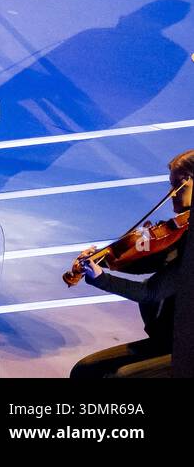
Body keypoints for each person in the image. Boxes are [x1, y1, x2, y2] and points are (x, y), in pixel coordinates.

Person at [69, 151, 192, 379]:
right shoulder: (181, 227)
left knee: (121, 377)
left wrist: (101, 279)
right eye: (171, 185)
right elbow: (151, 260)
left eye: (179, 186)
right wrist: (103, 259)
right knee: (85, 371)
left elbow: (151, 291)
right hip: (167, 337)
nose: (171, 193)